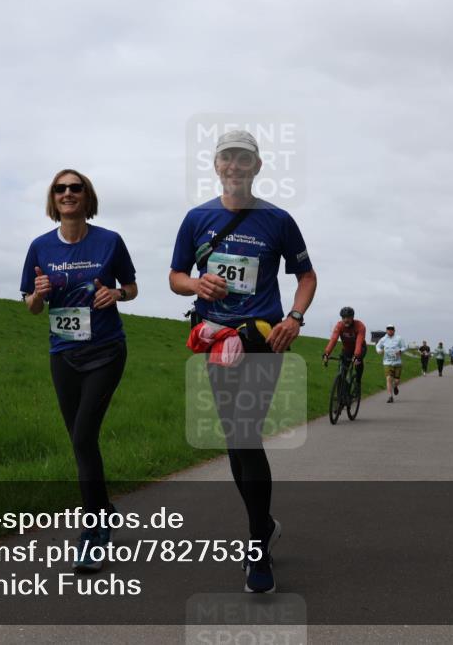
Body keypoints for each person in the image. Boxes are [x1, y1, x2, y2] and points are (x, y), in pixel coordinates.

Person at [170, 129, 317, 593]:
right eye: (226, 158)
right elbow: (175, 276)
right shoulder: (196, 219)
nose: (234, 166)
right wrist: (196, 286)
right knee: (236, 441)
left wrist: (295, 316)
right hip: (214, 340)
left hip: (260, 340)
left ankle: (258, 550)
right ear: (216, 166)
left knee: (245, 434)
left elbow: (306, 275)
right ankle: (264, 524)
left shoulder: (278, 220)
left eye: (243, 159)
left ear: (257, 167)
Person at [20, 168, 138, 573]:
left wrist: (116, 293)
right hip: (62, 354)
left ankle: (93, 531)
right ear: (53, 200)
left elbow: (132, 288)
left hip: (106, 351)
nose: (68, 193)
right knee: (79, 440)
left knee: (85, 436)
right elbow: (31, 306)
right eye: (60, 189)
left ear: (87, 197)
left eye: (76, 188)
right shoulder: (39, 247)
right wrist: (38, 295)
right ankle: (103, 509)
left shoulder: (110, 241)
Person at [322, 307, 366, 389]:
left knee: (358, 364)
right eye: (343, 317)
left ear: (352, 317)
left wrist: (356, 355)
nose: (346, 320)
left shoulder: (360, 326)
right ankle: (341, 396)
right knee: (342, 372)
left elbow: (359, 342)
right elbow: (334, 339)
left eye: (348, 317)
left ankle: (358, 382)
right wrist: (327, 353)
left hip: (360, 348)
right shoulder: (339, 325)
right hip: (347, 350)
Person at [376, 323, 407, 403]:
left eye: (391, 329)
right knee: (389, 378)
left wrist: (400, 351)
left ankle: (395, 386)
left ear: (394, 330)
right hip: (387, 362)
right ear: (386, 330)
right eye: (388, 329)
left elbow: (405, 346)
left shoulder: (399, 338)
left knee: (396, 380)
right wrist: (380, 351)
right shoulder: (383, 339)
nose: (390, 331)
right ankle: (390, 396)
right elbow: (378, 346)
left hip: (397, 362)